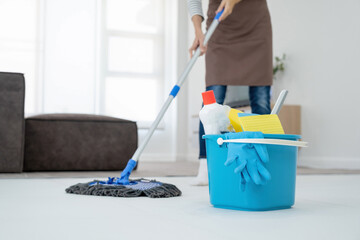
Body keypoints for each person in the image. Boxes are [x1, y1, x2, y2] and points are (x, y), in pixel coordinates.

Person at [188, 0, 273, 185]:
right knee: (212, 100)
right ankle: (205, 165)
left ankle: (261, 160)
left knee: (261, 100)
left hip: (255, 25)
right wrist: (198, 30)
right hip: (220, 28)